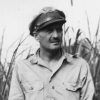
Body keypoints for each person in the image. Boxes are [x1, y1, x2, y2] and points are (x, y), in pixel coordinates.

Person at [8, 7, 94, 100]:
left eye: (59, 30)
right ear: (36, 36)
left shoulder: (80, 66)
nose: (56, 35)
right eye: (49, 31)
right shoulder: (22, 68)